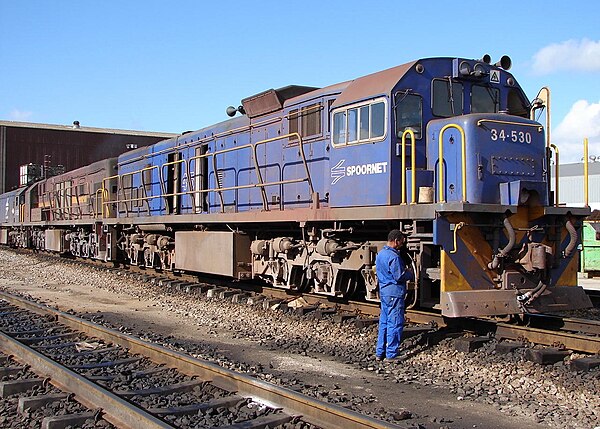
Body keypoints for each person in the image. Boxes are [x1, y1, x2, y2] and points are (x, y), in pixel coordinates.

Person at [375, 229, 413, 361]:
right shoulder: (394, 257)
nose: (401, 245)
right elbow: (399, 276)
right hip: (394, 293)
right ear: (396, 241)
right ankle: (391, 354)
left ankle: (380, 352)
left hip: (384, 292)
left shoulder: (380, 254)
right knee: (395, 323)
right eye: (401, 243)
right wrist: (410, 273)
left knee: (384, 322)